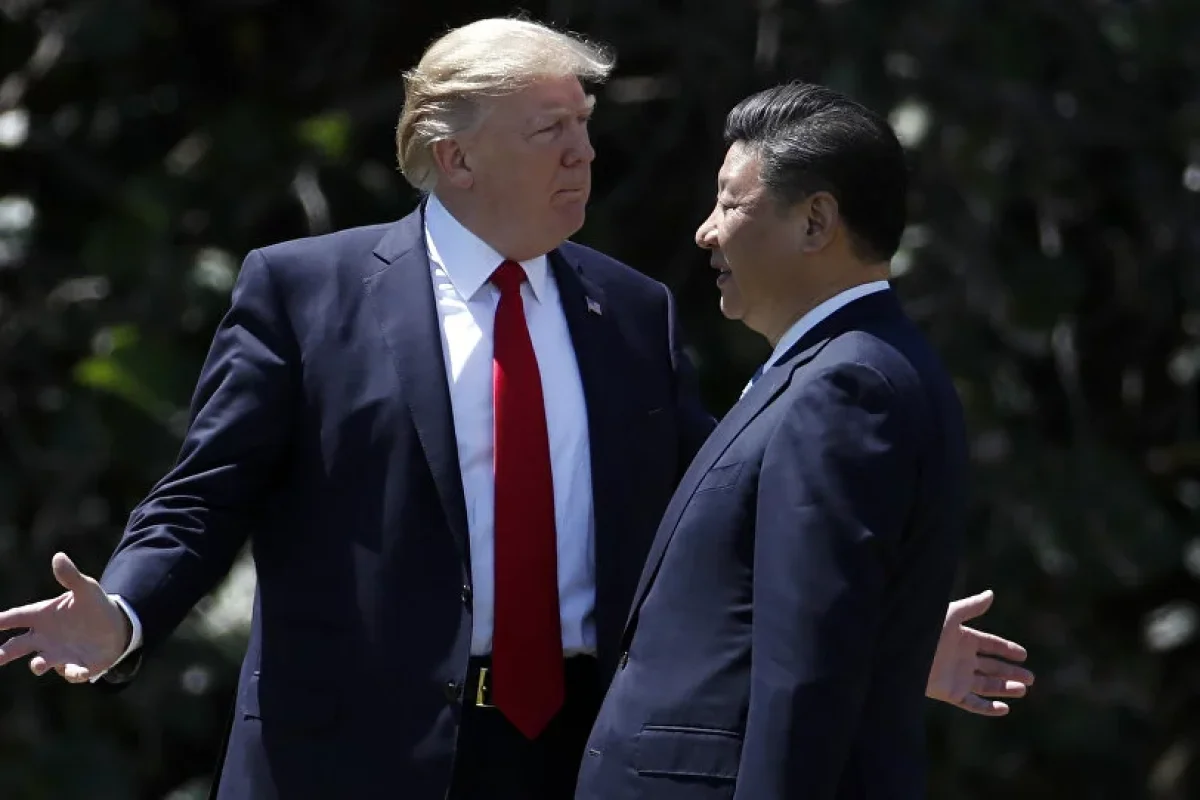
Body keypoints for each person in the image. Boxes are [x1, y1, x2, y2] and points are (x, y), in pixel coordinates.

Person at [0, 20, 1030, 800]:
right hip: (349, 758)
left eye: (585, 127)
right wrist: (123, 612)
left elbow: (720, 516)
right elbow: (203, 497)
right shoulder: (305, 293)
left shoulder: (633, 310)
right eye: (552, 131)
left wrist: (883, 630)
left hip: (574, 753)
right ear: (455, 157)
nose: (585, 154)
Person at [576, 82, 987, 800]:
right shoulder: (838, 368)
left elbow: (807, 674)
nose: (707, 231)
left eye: (730, 204)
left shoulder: (845, 386)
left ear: (815, 221)